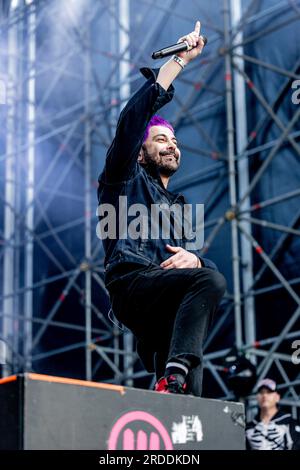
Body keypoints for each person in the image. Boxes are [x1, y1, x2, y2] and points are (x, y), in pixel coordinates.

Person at [97, 21, 226, 396]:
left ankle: (175, 402)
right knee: (210, 282)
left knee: (188, 388)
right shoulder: (123, 180)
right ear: (141, 151)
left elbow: (197, 264)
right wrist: (179, 63)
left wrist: (197, 261)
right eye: (161, 140)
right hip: (132, 286)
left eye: (174, 140)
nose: (172, 146)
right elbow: (131, 122)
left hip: (165, 306)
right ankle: (173, 376)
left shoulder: (181, 208)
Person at [246, 378, 300, 450]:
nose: (264, 395)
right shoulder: (249, 427)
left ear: (277, 397)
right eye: (261, 392)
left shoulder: (289, 422)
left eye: (269, 392)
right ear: (257, 397)